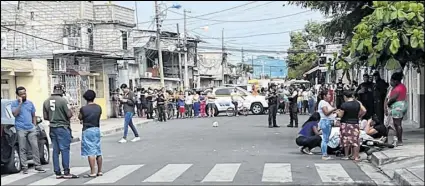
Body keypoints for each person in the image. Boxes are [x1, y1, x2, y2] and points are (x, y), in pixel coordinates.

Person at [43, 84, 78, 179]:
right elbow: (69, 114)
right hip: (62, 127)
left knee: (55, 150)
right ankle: (66, 171)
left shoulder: (46, 101)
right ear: (61, 90)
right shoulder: (63, 100)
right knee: (65, 150)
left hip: (52, 127)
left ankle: (57, 172)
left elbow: (46, 117)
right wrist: (71, 109)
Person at [11, 86, 46, 174]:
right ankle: (24, 167)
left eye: (24, 93)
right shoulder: (14, 104)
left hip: (31, 128)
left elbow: (33, 115)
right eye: (21, 94)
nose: (23, 95)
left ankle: (37, 166)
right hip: (21, 128)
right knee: (22, 148)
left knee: (35, 147)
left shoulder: (30, 103)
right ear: (17, 95)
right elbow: (15, 114)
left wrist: (34, 125)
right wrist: (20, 104)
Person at [79, 90, 103, 178]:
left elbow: (80, 117)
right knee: (98, 150)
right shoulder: (98, 107)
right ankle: (100, 171)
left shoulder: (83, 108)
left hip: (87, 130)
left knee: (90, 151)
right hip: (96, 129)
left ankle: (93, 171)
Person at [337, 90, 366, 161]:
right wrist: (359, 116)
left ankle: (346, 155)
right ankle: (355, 156)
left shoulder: (344, 105)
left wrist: (338, 112)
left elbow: (341, 115)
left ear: (345, 97)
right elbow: (364, 110)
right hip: (355, 123)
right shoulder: (357, 103)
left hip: (346, 124)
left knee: (346, 140)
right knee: (355, 140)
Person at [385, 72, 407, 147]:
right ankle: (398, 139)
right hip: (402, 105)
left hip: (397, 106)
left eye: (392, 81)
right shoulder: (402, 86)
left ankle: (400, 140)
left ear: (396, 81)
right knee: (397, 124)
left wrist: (388, 103)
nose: (391, 82)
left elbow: (393, 98)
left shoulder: (398, 88)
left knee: (397, 124)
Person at [317, 90, 338, 160]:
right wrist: (334, 109)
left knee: (326, 138)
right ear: (324, 96)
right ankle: (324, 154)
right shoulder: (323, 102)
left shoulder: (326, 103)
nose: (330, 96)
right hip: (325, 122)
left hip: (327, 121)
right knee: (325, 139)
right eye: (328, 94)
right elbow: (326, 112)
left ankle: (325, 153)